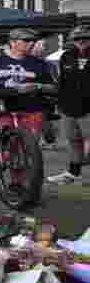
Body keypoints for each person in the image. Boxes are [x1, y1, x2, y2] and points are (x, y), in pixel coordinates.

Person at [47, 25, 90, 185]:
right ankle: (72, 173)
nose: (81, 42)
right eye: (77, 39)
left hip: (88, 109)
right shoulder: (66, 56)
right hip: (68, 107)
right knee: (73, 141)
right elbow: (62, 81)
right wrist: (59, 103)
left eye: (85, 38)